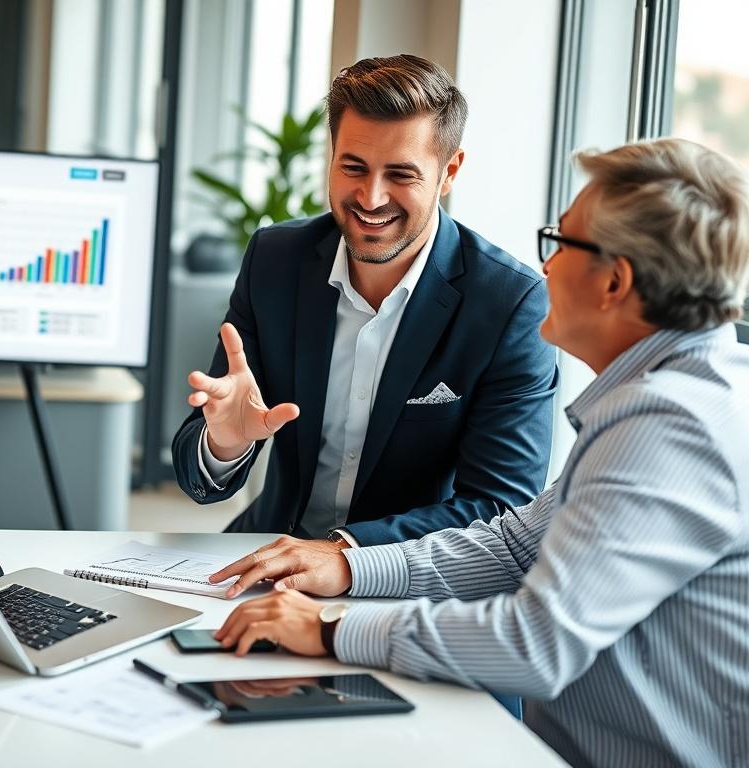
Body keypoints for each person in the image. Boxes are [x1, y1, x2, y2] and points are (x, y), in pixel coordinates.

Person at [213, 138, 749, 768]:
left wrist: (331, 629)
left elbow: (537, 643)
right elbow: (516, 546)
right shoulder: (679, 394)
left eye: (561, 242)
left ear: (615, 280)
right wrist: (350, 568)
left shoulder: (670, 427)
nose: (543, 266)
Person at [172, 54, 558, 552]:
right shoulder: (276, 260)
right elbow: (198, 473)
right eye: (353, 167)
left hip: (404, 581)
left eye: (401, 174)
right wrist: (225, 443)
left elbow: (500, 510)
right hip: (265, 555)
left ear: (449, 172)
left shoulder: (511, 304)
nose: (371, 198)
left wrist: (341, 555)